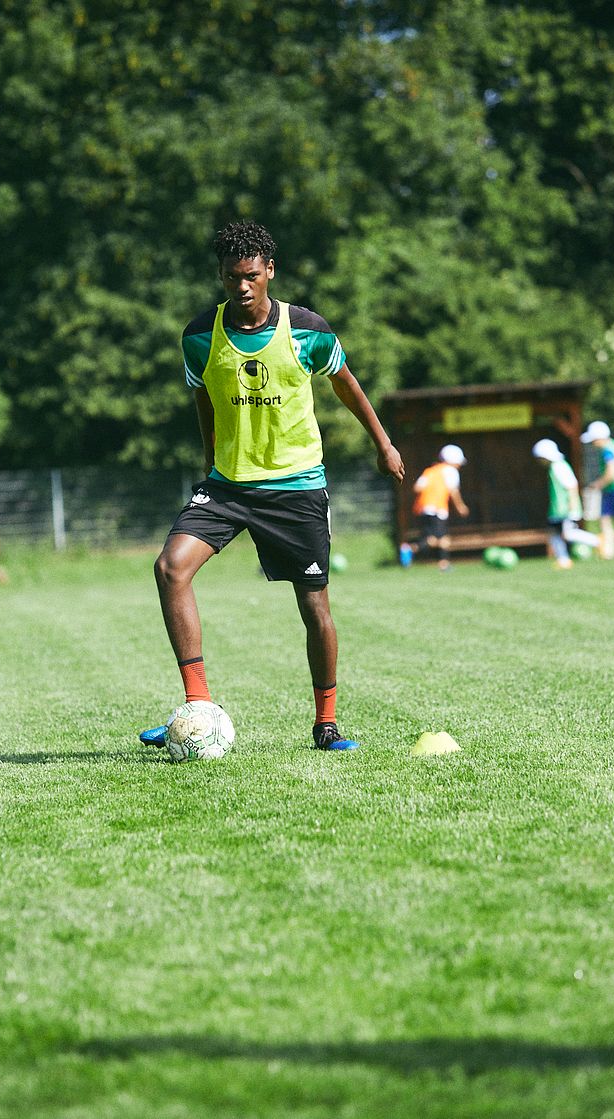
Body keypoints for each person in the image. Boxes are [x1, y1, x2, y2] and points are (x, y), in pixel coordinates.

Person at [140, 220, 404, 752]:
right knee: (170, 568)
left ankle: (326, 723)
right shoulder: (198, 336)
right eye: (232, 276)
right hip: (229, 485)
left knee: (314, 606)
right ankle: (197, 707)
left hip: (296, 486)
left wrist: (384, 445)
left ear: (269, 272)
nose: (242, 286)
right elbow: (203, 399)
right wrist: (211, 462)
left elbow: (347, 386)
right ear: (220, 276)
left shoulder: (307, 329)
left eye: (252, 276)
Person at [531, 439, 601, 569]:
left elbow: (571, 486)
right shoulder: (554, 467)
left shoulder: (559, 466)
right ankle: (563, 559)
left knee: (568, 533)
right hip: (557, 510)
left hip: (566, 509)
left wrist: (572, 506)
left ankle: (597, 541)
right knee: (554, 534)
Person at [399, 445, 469, 572]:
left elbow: (417, 488)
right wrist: (460, 506)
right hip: (438, 508)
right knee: (441, 538)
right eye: (458, 462)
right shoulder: (451, 471)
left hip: (423, 508)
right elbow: (453, 491)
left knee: (432, 538)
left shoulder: (430, 471)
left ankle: (412, 550)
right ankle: (439, 562)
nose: (459, 465)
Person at [580, 421, 614, 558]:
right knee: (604, 519)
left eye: (593, 440)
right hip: (613, 490)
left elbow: (611, 472)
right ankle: (608, 552)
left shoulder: (608, 451)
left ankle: (609, 549)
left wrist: (598, 484)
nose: (592, 444)